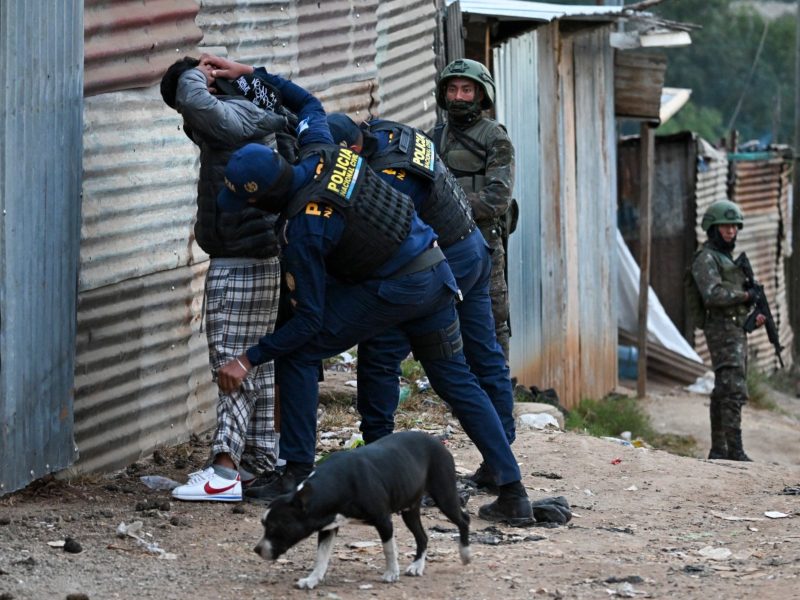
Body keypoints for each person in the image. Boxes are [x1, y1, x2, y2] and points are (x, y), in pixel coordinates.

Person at [203, 55, 533, 524]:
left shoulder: (306, 232)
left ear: (260, 197)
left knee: (298, 352)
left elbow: (310, 323)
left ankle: (295, 470)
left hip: (404, 285)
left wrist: (249, 357)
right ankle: (513, 491)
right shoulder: (321, 146)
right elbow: (307, 102)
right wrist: (250, 75)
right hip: (437, 272)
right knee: (455, 378)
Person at [326, 113, 515, 490]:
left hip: (443, 264)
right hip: (471, 249)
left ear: (352, 149)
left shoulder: (390, 178)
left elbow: (383, 241)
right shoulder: (393, 134)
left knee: (381, 351)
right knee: (480, 356)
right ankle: (502, 462)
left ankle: (377, 456)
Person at [159, 56, 286, 501]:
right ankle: (259, 464)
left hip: (239, 259)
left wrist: (199, 72)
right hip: (260, 256)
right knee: (256, 362)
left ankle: (223, 471)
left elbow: (194, 100)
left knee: (230, 363)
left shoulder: (230, 116)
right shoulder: (253, 109)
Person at [431, 58, 516, 360]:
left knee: (493, 320)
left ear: (481, 94)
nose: (458, 97)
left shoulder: (495, 137)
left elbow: (497, 198)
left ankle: (499, 395)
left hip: (484, 242)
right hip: (443, 246)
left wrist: (449, 209)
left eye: (467, 89)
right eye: (452, 89)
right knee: (447, 320)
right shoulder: (434, 138)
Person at [689, 200, 765, 461]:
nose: (731, 231)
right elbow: (712, 294)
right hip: (721, 331)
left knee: (725, 389)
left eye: (734, 227)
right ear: (713, 228)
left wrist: (753, 316)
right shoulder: (706, 258)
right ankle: (735, 450)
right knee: (732, 389)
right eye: (725, 227)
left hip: (735, 330)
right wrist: (745, 295)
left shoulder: (727, 259)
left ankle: (719, 449)